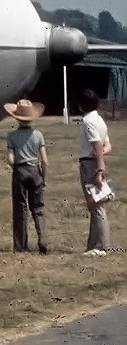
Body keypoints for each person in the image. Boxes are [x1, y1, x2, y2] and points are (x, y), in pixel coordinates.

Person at [3, 98, 49, 254]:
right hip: (35, 171)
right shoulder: (38, 135)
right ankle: (43, 239)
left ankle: (21, 245)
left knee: (20, 208)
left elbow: (10, 159)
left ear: (16, 118)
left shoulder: (12, 136)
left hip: (20, 172)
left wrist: (11, 164)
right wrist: (44, 177)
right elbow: (44, 159)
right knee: (38, 207)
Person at [76, 89, 113, 256]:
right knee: (94, 205)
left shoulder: (88, 121)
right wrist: (99, 155)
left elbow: (97, 144)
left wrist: (99, 169)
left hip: (90, 165)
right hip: (94, 162)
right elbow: (107, 145)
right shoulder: (99, 120)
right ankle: (93, 245)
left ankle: (101, 246)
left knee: (96, 205)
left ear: (81, 105)